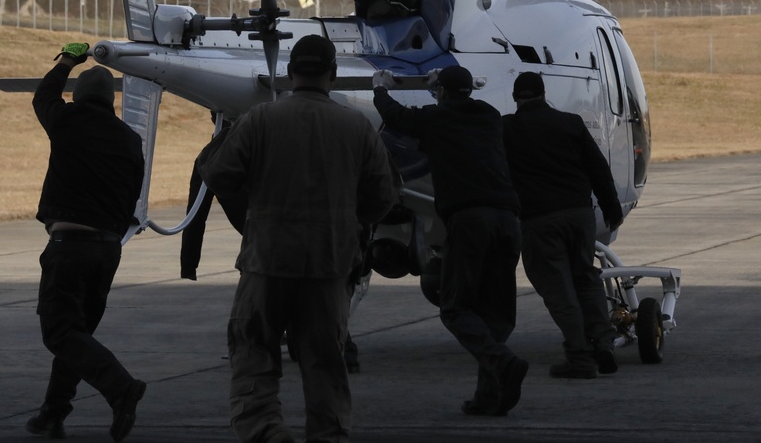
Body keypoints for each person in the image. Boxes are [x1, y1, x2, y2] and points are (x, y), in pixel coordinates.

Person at [199, 35, 399, 443]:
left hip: (266, 262)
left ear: (290, 75)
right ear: (334, 74)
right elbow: (384, 196)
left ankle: (267, 433)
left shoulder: (259, 121)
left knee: (254, 353)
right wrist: (352, 226)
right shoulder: (357, 127)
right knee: (326, 363)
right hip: (329, 265)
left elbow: (217, 174)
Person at [372, 65, 528, 417]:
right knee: (496, 314)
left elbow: (395, 116)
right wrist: (438, 87)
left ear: (440, 92)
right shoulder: (488, 115)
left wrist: (380, 88)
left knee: (456, 308)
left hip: (471, 221)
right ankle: (489, 396)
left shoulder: (435, 119)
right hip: (508, 220)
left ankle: (502, 363)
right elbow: (453, 110)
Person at [27, 42, 147, 442]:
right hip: (107, 250)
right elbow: (132, 195)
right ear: (110, 100)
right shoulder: (130, 140)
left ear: (78, 97)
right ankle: (52, 413)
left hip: (69, 245)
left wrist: (67, 59)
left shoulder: (67, 120)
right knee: (77, 336)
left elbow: (43, 95)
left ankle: (121, 388)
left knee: (60, 333)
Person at [502, 71, 624, 379]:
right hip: (580, 216)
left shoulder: (506, 128)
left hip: (541, 220)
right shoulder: (571, 123)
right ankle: (604, 341)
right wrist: (611, 210)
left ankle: (580, 358)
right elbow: (598, 168)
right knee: (585, 277)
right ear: (544, 94)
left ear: (516, 97)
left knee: (558, 288)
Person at [180, 114, 246, 281]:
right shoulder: (262, 146)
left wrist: (189, 265)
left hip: (255, 243)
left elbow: (195, 215)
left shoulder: (208, 157)